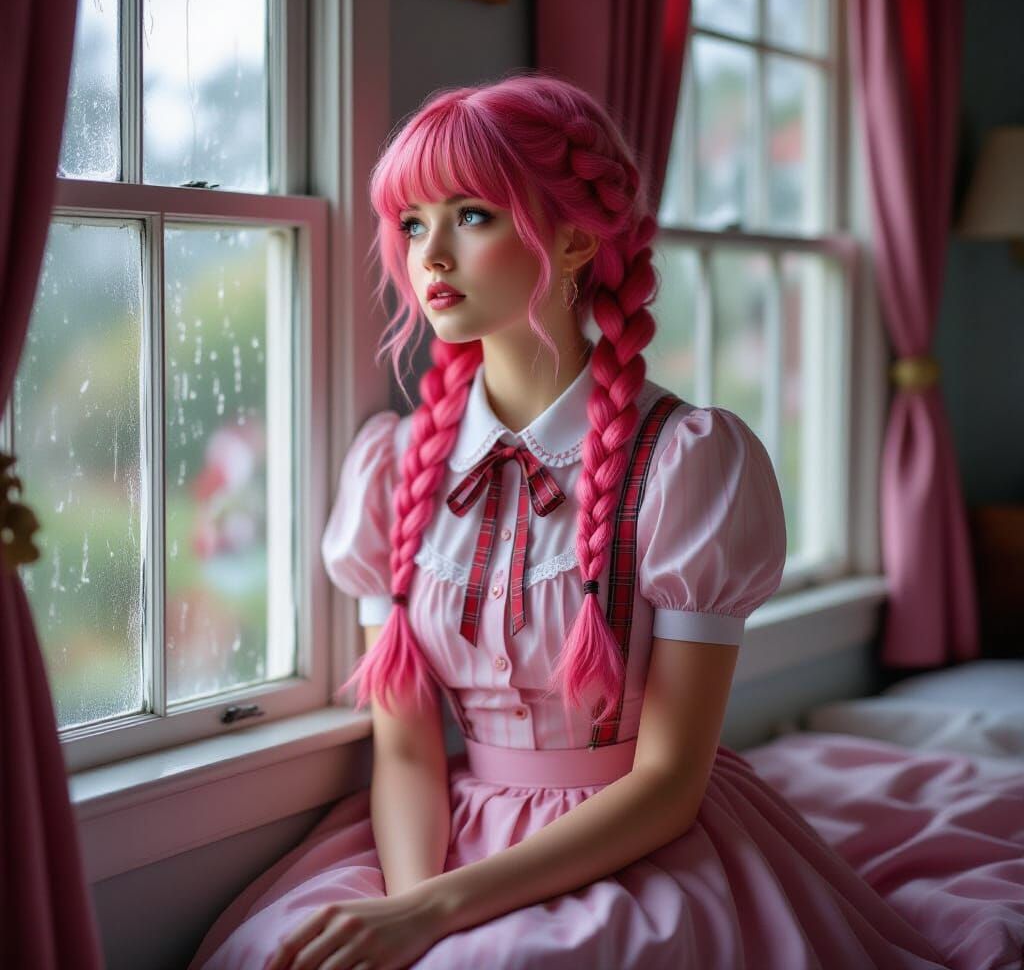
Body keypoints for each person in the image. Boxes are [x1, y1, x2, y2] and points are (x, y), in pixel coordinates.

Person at [188, 73, 948, 970]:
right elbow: (405, 753)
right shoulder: (394, 469)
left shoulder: (686, 463)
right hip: (435, 844)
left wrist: (438, 914)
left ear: (578, 238)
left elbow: (668, 784)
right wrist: (407, 907)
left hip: (635, 840)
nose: (429, 254)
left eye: (471, 215)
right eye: (412, 222)